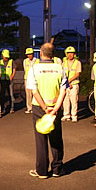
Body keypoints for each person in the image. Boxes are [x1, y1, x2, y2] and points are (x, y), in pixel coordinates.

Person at [26, 42, 67, 179]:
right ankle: (57, 169)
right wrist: (55, 108)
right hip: (55, 107)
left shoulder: (34, 68)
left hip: (39, 107)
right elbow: (63, 90)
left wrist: (44, 107)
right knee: (56, 138)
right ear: (53, 55)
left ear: (41, 53)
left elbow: (34, 91)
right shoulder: (60, 68)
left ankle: (42, 171)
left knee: (41, 139)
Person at [61, 46, 81, 122]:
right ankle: (66, 115)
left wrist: (69, 81)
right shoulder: (64, 63)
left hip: (74, 84)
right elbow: (62, 74)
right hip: (65, 84)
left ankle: (74, 115)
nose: (70, 55)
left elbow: (77, 74)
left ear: (74, 54)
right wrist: (66, 82)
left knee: (74, 100)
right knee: (65, 100)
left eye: (71, 53)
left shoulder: (77, 62)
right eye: (68, 53)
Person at [23, 47, 39, 114]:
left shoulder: (37, 60)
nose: (29, 55)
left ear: (33, 54)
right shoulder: (25, 61)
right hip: (27, 79)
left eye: (30, 54)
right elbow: (25, 69)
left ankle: (35, 108)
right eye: (28, 54)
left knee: (35, 94)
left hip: (35, 79)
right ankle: (29, 108)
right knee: (28, 94)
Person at [0, 49, 16, 114]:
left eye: (7, 57)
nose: (6, 58)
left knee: (11, 94)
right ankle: (2, 108)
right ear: (2, 55)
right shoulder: (0, 61)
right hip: (3, 80)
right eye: (5, 56)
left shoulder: (11, 61)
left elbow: (14, 69)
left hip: (10, 80)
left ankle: (12, 108)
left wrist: (12, 76)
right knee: (2, 95)